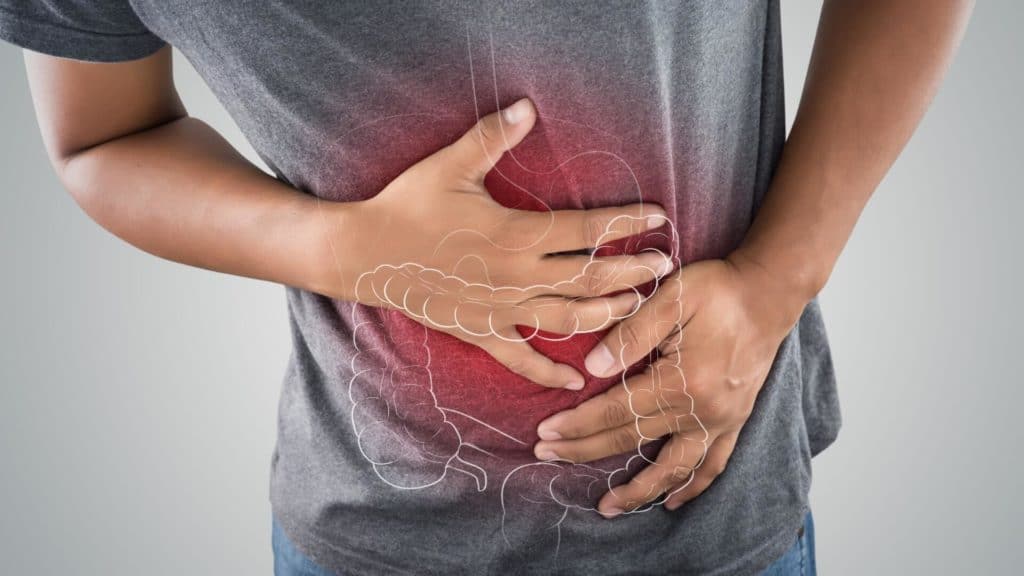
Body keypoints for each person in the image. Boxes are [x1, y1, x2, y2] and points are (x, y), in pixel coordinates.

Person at [0, 1, 971, 574]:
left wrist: (776, 279)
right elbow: (102, 138)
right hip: (369, 533)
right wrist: (345, 249)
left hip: (711, 529)